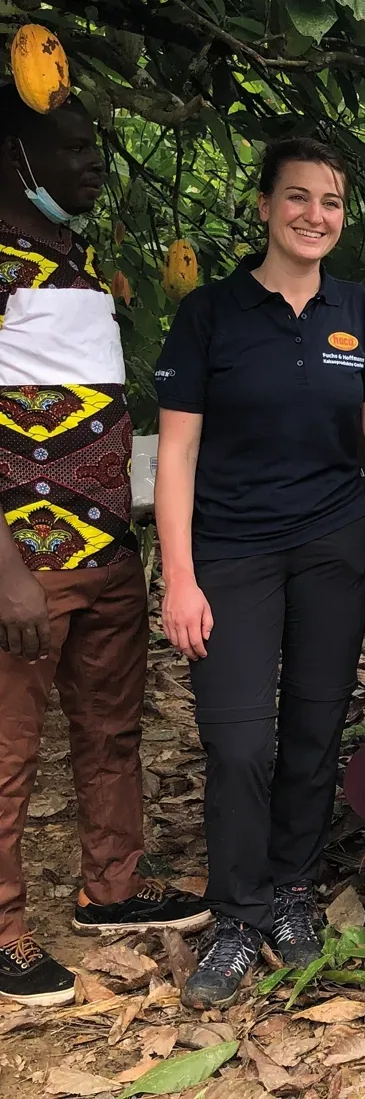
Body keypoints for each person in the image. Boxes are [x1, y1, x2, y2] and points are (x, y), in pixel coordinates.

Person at [155, 137, 365, 1009]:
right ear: (267, 205)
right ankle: (235, 916)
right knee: (238, 740)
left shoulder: (359, 309)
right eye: (299, 198)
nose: (316, 216)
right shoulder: (211, 314)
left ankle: (289, 895)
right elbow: (175, 454)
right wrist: (180, 576)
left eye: (332, 203)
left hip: (331, 545)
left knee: (314, 732)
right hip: (230, 552)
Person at [0, 87, 209, 1007]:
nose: (95, 163)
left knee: (109, 731)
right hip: (23, 567)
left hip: (106, 550)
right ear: (17, 156)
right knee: (6, 753)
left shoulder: (74, 261)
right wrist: (5, 570)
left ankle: (111, 886)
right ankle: (3, 927)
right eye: (75, 146)